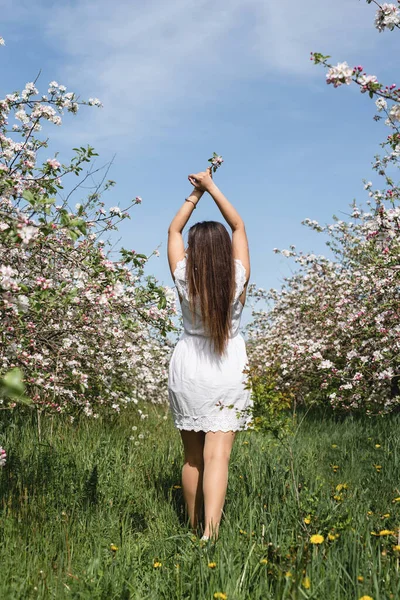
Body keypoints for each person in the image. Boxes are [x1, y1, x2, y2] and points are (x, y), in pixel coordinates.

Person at [167, 166, 253, 542]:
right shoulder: (236, 277)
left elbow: (173, 231)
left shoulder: (185, 276)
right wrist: (213, 186)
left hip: (189, 366)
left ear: (193, 251)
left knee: (193, 457)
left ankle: (191, 525)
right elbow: (238, 227)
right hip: (227, 365)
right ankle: (211, 534)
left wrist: (195, 193)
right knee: (219, 455)